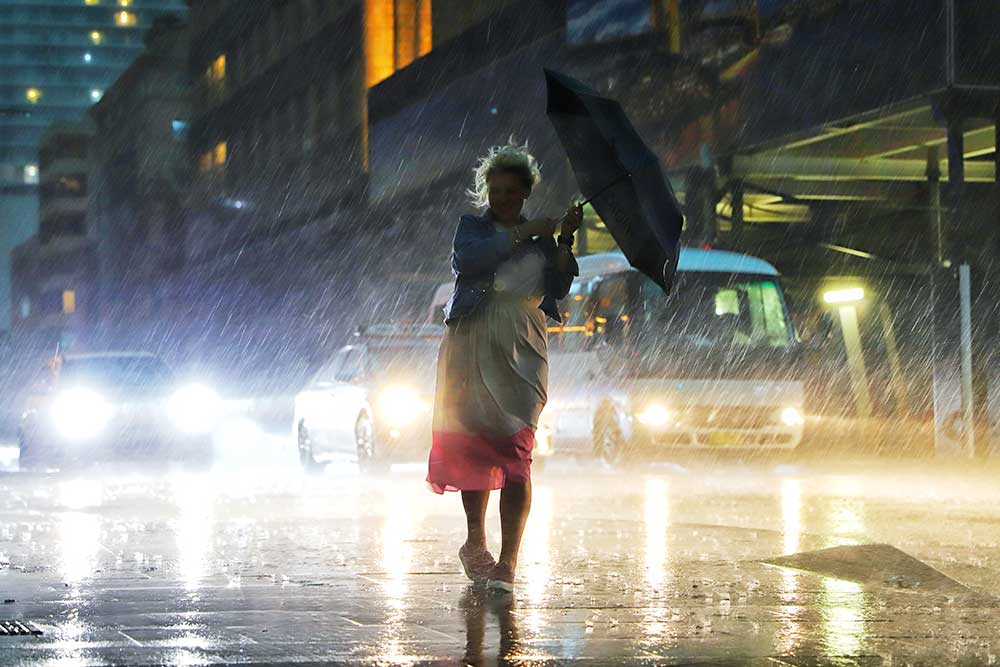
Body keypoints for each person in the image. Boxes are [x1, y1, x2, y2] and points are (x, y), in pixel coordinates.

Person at [427, 142, 581, 593]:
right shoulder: (471, 229)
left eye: (512, 192)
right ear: (486, 191)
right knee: (474, 444)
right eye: (496, 191)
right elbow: (470, 260)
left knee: (516, 452)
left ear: (525, 193)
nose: (504, 199)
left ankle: (509, 559)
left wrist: (564, 239)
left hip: (523, 347)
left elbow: (559, 285)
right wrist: (524, 231)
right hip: (473, 344)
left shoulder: (540, 241)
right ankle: (476, 540)